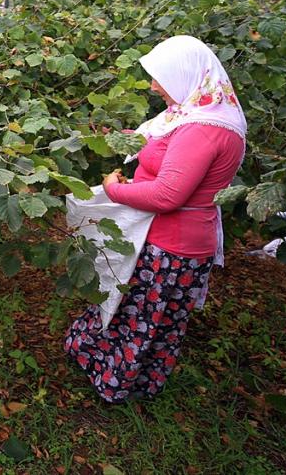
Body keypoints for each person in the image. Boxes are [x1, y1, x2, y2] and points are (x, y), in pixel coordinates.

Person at [63, 35, 246, 403]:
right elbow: (162, 146)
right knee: (143, 314)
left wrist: (113, 189)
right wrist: (121, 140)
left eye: (160, 76)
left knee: (142, 320)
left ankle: (117, 384)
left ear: (186, 74)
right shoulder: (199, 112)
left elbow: (167, 195)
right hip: (168, 241)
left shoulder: (204, 130)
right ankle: (111, 369)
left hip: (172, 247)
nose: (153, 86)